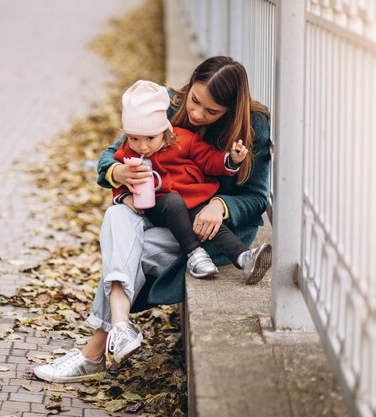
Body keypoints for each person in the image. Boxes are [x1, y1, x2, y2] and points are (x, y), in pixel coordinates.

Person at [33, 56, 271, 383]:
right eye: (195, 100)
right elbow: (112, 154)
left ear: (230, 110)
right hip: (156, 209)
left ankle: (93, 353)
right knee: (118, 213)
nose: (197, 114)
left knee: (132, 252)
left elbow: (257, 197)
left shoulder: (252, 126)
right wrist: (118, 172)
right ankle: (120, 326)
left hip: (206, 229)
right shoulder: (168, 106)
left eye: (211, 111)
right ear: (189, 87)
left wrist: (220, 205)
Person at [112, 80, 272, 283]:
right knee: (173, 202)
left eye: (150, 138)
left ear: (164, 130)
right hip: (154, 206)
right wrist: (123, 196)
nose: (142, 146)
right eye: (134, 138)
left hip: (188, 203)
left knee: (204, 220)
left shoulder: (183, 140)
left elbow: (209, 158)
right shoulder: (128, 150)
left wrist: (231, 160)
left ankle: (244, 258)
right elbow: (117, 178)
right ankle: (194, 254)